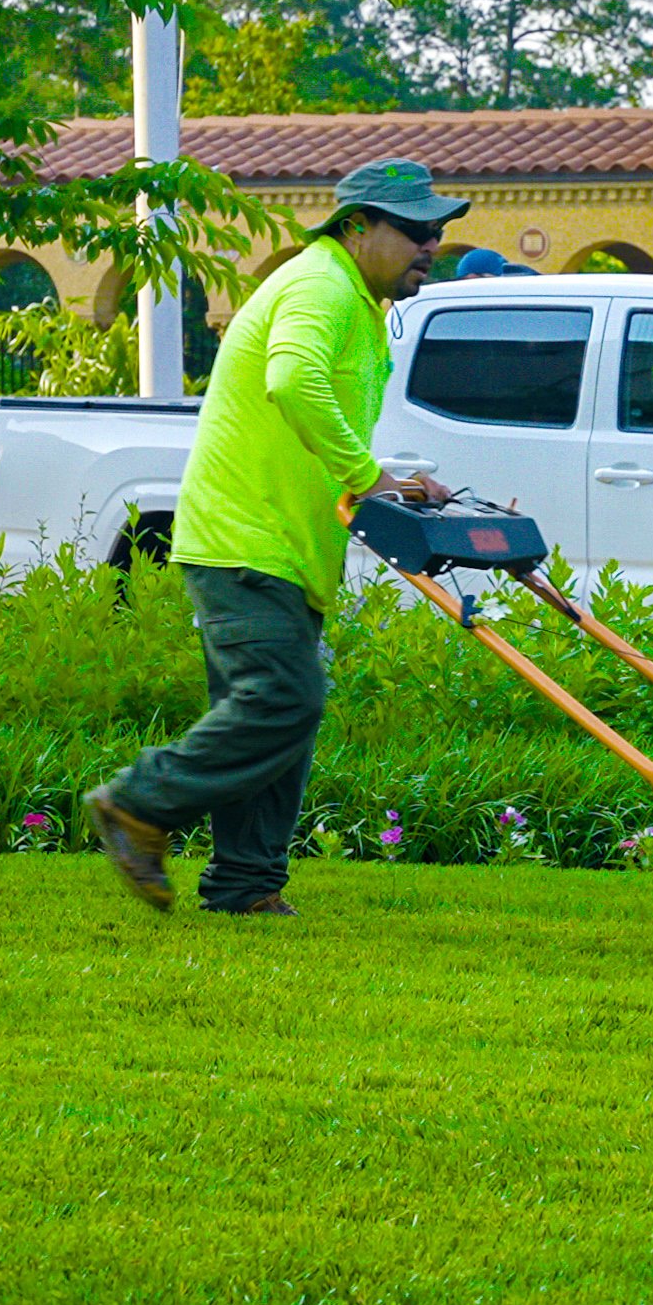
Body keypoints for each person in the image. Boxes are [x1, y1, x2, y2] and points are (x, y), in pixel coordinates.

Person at [87, 158, 462, 916]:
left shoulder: (353, 299)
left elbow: (318, 410)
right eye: (417, 230)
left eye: (438, 232)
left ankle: (245, 886)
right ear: (358, 227)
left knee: (277, 716)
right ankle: (136, 804)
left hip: (285, 544)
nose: (432, 244)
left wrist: (394, 482)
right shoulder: (320, 286)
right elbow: (291, 381)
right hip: (243, 539)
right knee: (283, 701)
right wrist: (365, 474)